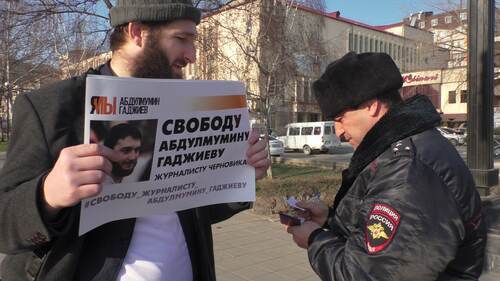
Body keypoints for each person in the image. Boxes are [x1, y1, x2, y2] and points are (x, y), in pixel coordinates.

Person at [0, 1, 270, 280]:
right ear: (138, 32)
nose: (191, 55)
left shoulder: (186, 104)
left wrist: (239, 174)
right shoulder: (52, 107)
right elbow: (4, 224)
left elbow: (197, 213)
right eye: (181, 39)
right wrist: (47, 194)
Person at [286, 52, 486, 280]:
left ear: (371, 106)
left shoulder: (408, 172)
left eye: (340, 119)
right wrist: (329, 220)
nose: (339, 132)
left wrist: (315, 240)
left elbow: (366, 274)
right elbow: (378, 235)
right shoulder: (398, 150)